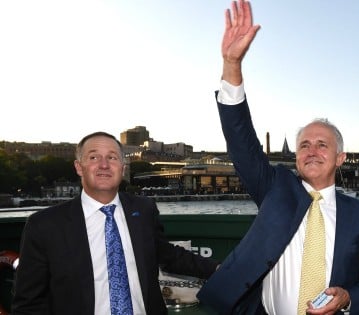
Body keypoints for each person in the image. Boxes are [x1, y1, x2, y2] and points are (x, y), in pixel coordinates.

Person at [196, 0, 359, 314]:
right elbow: (241, 142)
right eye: (304, 145)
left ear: (341, 158)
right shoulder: (275, 190)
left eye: (322, 145)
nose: (312, 150)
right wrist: (232, 65)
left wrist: (347, 297)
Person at [11, 131, 220, 315]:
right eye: (94, 157)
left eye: (112, 157)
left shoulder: (144, 210)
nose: (104, 164)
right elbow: (28, 304)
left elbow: (167, 255)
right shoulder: (45, 225)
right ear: (79, 167)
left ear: (122, 166)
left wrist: (220, 269)